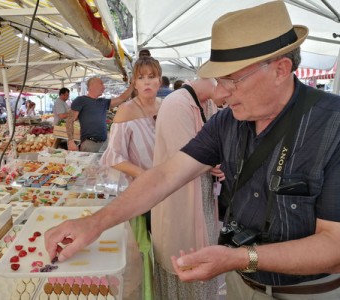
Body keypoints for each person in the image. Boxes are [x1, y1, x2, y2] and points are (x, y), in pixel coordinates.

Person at [45, 2, 340, 299]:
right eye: (219, 80)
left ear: (281, 69)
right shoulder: (228, 122)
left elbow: (334, 245)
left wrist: (240, 257)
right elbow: (164, 176)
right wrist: (95, 222)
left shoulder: (333, 125)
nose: (221, 93)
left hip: (310, 291)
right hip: (243, 284)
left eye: (232, 80)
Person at [152, 79, 225, 300]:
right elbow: (186, 157)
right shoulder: (176, 104)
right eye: (230, 87)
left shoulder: (209, 104)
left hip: (203, 198)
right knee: (183, 255)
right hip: (181, 200)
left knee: (204, 254)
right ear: (217, 82)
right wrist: (218, 163)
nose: (230, 98)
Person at [99, 56, 162, 300]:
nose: (147, 82)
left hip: (168, 190)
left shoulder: (165, 106)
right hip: (142, 194)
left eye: (152, 76)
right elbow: (113, 157)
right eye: (141, 77)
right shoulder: (126, 110)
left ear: (159, 80)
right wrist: (144, 175)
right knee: (145, 249)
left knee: (166, 250)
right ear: (134, 83)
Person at [66, 77, 134, 152]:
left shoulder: (102, 102)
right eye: (101, 84)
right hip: (89, 144)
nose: (104, 87)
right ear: (92, 85)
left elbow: (121, 98)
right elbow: (69, 120)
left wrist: (133, 85)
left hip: (105, 143)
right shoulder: (81, 100)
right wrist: (70, 141)